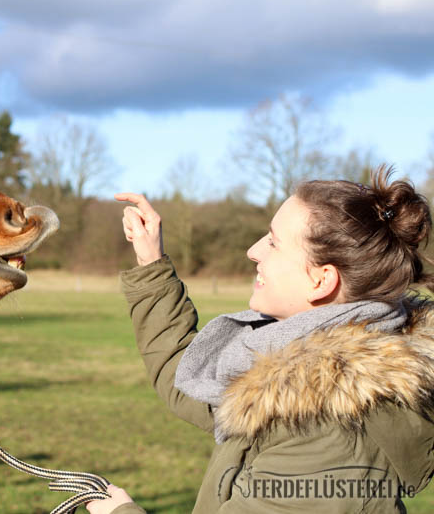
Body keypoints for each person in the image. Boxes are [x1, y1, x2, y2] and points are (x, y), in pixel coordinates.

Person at [87, 166, 434, 513]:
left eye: (273, 242)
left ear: (321, 281)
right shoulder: (293, 379)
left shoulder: (329, 436)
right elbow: (187, 378)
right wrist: (151, 262)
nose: (253, 251)